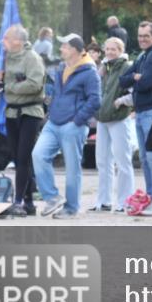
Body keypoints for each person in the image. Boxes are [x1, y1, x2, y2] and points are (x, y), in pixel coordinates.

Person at [31, 34, 101, 218]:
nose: (60, 49)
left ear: (75, 50)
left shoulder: (90, 72)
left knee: (72, 168)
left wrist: (77, 120)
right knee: (38, 155)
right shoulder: (62, 67)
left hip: (73, 125)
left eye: (64, 46)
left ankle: (71, 208)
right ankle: (52, 197)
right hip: (53, 122)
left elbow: (95, 100)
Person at [0, 25, 46, 216]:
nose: (3, 42)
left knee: (23, 157)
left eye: (6, 38)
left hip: (30, 112)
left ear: (17, 41)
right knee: (17, 158)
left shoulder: (32, 58)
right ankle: (28, 202)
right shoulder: (7, 58)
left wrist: (9, 87)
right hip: (12, 112)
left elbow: (35, 84)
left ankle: (19, 200)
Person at [119, 22, 152, 205]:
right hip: (140, 112)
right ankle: (151, 196)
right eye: (140, 36)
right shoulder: (141, 56)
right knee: (144, 158)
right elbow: (123, 80)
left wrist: (137, 79)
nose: (142, 39)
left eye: (146, 36)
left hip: (151, 111)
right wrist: (135, 77)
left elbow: (146, 83)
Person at [93, 37, 135, 212]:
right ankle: (103, 201)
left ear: (120, 50)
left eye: (113, 49)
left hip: (119, 118)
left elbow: (135, 93)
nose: (109, 52)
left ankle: (125, 201)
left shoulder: (126, 67)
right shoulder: (105, 68)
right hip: (103, 119)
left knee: (123, 161)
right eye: (107, 49)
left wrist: (121, 101)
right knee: (103, 161)